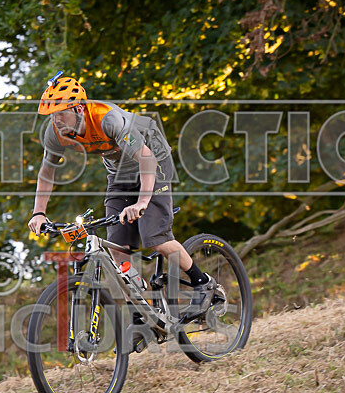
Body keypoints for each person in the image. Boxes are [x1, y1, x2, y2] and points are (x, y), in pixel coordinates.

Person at [27, 72, 216, 321]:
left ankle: (203, 283)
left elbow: (146, 159)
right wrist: (39, 212)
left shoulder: (108, 119)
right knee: (117, 245)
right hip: (119, 174)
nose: (56, 119)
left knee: (154, 237)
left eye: (61, 112)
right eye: (52, 113)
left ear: (79, 108)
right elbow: (47, 173)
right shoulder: (56, 131)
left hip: (152, 160)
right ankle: (138, 310)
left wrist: (142, 203)